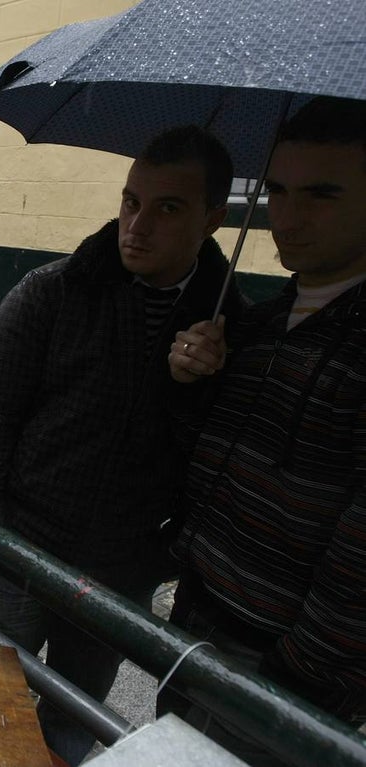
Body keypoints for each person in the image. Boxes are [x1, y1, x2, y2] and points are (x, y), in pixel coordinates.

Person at [0, 125, 244, 765]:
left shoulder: (231, 330)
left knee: (72, 722)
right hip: (18, 550)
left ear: (214, 218)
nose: (137, 226)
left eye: (168, 208)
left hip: (118, 576)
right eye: (130, 201)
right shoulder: (50, 294)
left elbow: (214, 468)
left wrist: (193, 389)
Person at [163, 97, 366, 763]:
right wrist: (192, 382)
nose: (287, 215)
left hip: (280, 666)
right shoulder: (257, 324)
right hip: (201, 617)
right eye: (276, 189)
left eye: (322, 194)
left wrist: (295, 671)